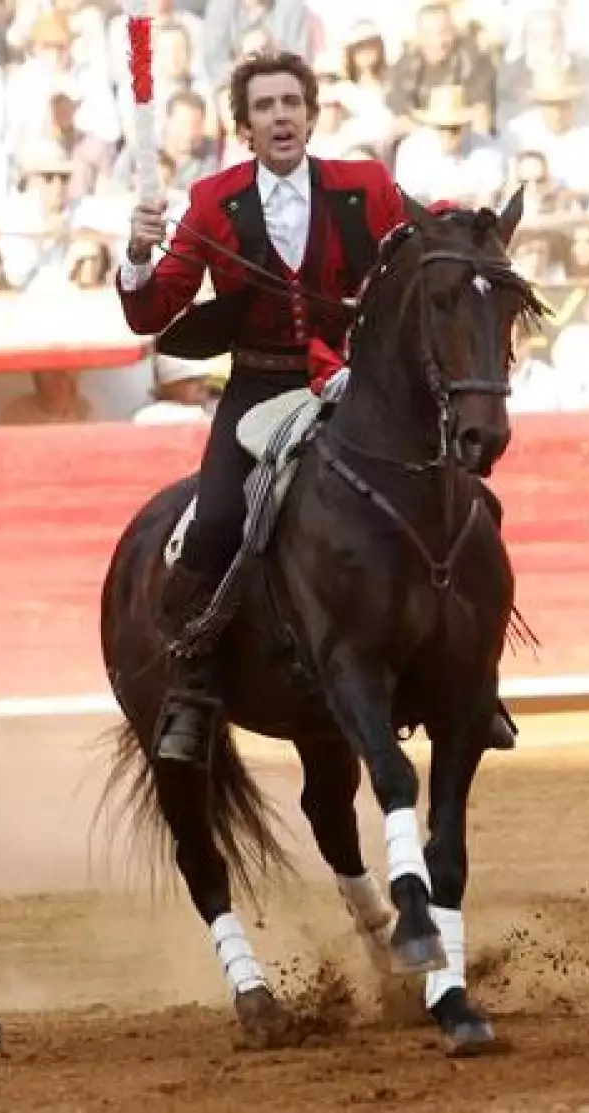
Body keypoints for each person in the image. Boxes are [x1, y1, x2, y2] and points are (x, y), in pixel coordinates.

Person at [117, 50, 413, 764]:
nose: (280, 115)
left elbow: (411, 264)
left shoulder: (366, 186)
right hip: (257, 387)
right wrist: (136, 252)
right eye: (264, 106)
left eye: (291, 102)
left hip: (355, 388)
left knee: (448, 501)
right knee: (216, 518)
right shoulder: (215, 200)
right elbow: (152, 309)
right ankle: (192, 683)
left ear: (311, 114)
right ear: (245, 127)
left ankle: (466, 670)